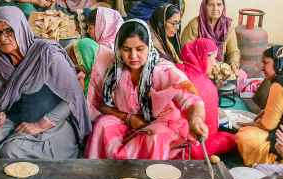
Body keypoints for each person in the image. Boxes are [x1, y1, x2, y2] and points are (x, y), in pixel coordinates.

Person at [0, 6, 92, 160]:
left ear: (21, 29)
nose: (3, 38)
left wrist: (40, 125)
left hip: (53, 124)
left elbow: (73, 98)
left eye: (9, 31)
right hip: (15, 120)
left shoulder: (47, 55)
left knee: (10, 152)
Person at [85, 20, 209, 160]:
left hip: (159, 122)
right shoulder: (114, 72)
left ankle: (141, 178)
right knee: (102, 125)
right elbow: (102, 105)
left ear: (149, 47)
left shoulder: (161, 70)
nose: (133, 56)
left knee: (153, 138)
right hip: (126, 120)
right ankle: (105, 173)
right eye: (126, 49)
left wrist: (196, 119)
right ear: (119, 49)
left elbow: (192, 100)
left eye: (139, 49)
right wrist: (129, 118)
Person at [236, 45, 283, 166]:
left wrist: (249, 124)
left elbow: (268, 124)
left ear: (278, 62)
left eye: (266, 62)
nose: (262, 67)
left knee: (245, 135)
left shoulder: (280, 83)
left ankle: (275, 160)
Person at [178, 40, 237, 159]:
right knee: (235, 139)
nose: (215, 64)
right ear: (203, 57)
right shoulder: (205, 86)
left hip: (167, 141)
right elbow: (209, 129)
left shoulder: (176, 70)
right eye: (213, 58)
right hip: (191, 146)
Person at [180, 0, 241, 75]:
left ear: (223, 7)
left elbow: (233, 51)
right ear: (204, 7)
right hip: (199, 69)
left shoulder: (228, 26)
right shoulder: (195, 25)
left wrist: (233, 64)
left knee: (241, 75)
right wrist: (204, 68)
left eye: (219, 5)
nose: (215, 8)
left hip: (220, 69)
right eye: (211, 5)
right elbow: (186, 51)